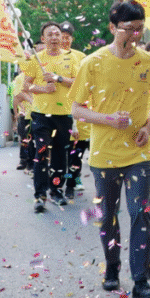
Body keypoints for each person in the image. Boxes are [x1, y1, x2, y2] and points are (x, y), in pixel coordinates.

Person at [69, 0, 150, 298]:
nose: (136, 35)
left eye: (140, 29)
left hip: (139, 153)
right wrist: (108, 119)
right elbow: (76, 109)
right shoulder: (92, 63)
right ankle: (112, 266)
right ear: (112, 28)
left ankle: (141, 283)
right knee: (108, 215)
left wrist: (149, 126)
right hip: (104, 155)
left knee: (140, 214)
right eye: (129, 29)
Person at [23, 22, 80, 211]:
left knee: (59, 156)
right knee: (41, 154)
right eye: (50, 34)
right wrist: (43, 89)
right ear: (43, 38)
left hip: (64, 115)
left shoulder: (71, 59)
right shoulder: (35, 59)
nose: (55, 37)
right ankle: (39, 195)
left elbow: (78, 84)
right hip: (41, 115)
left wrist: (57, 79)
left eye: (57, 34)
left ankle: (56, 191)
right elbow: (27, 87)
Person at [60, 21, 89, 197]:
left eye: (67, 37)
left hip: (79, 110)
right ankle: (64, 181)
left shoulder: (81, 57)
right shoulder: (51, 57)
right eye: (61, 37)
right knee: (62, 152)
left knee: (78, 151)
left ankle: (73, 180)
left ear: (72, 39)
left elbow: (84, 82)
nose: (64, 40)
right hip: (59, 112)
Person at [10, 67, 34, 172]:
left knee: (34, 140)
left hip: (38, 112)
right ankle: (24, 161)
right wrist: (16, 113)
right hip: (25, 114)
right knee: (24, 138)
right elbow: (16, 97)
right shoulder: (20, 78)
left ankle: (33, 164)